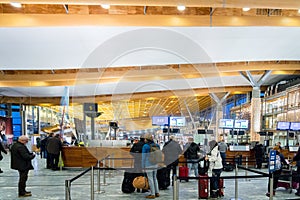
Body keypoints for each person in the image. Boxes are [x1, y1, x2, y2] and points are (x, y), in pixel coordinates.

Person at [142, 133, 160, 199]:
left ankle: (152, 194)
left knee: (150, 179)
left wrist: (142, 166)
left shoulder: (145, 146)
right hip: (156, 163)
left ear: (147, 139)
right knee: (155, 178)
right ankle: (157, 192)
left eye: (145, 139)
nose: (144, 140)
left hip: (148, 164)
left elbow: (143, 157)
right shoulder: (157, 145)